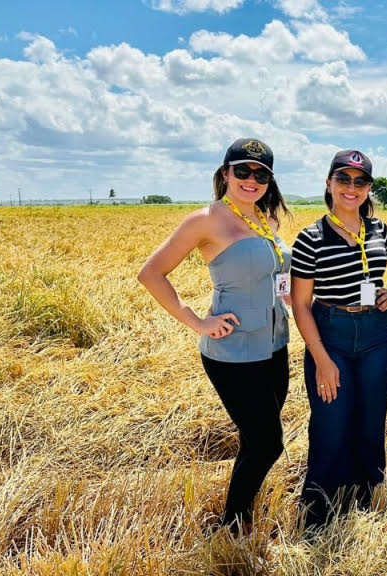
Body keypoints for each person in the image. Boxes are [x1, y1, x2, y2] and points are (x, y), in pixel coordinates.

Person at [138, 138, 292, 534]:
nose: (250, 180)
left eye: (260, 174)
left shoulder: (266, 219)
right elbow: (151, 274)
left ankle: (239, 514)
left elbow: (278, 278)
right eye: (242, 170)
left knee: (255, 438)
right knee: (267, 443)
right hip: (233, 353)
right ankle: (232, 525)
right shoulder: (205, 220)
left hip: (275, 345)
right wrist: (196, 321)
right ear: (225, 173)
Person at [290, 149, 387, 531]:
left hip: (376, 334)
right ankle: (319, 511)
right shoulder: (310, 238)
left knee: (371, 419)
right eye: (343, 180)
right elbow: (302, 305)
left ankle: (365, 499)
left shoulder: (379, 230)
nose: (351, 188)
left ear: (368, 188)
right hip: (331, 333)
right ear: (329, 184)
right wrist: (322, 359)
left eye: (360, 182)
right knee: (331, 422)